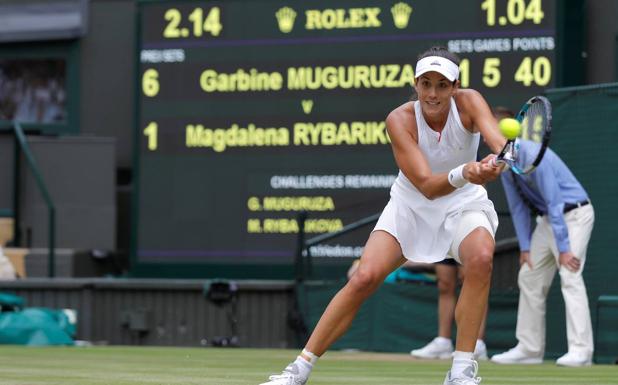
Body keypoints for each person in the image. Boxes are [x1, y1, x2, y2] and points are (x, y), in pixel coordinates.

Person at [259, 46, 506, 385]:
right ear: (415, 84)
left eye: (442, 85)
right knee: (363, 278)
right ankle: (298, 370)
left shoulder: (470, 102)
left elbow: (497, 141)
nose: (433, 93)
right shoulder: (399, 120)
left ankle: (461, 370)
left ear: (455, 86)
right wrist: (467, 170)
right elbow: (426, 185)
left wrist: (499, 159)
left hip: (464, 204)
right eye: (426, 83)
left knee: (480, 259)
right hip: (411, 204)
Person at [490, 139, 595, 367]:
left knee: (570, 276)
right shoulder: (506, 164)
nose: (491, 145)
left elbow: (554, 202)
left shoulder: (537, 156)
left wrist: (564, 249)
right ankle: (529, 349)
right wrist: (526, 248)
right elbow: (517, 207)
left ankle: (581, 351)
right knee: (528, 276)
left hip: (574, 216)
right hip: (549, 220)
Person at [410, 259, 488, 361]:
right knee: (444, 283)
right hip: (444, 242)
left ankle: (476, 343)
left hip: (467, 243)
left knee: (471, 281)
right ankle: (443, 342)